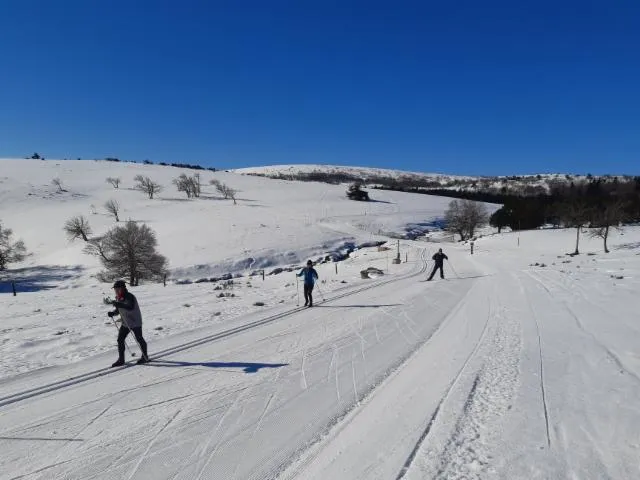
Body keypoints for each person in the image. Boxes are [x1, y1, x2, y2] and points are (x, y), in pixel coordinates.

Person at [108, 280, 149, 366]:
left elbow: (130, 307)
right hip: (126, 322)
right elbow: (119, 309)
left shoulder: (129, 296)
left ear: (122, 288)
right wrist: (113, 313)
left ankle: (145, 357)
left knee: (139, 338)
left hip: (135, 321)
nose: (115, 291)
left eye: (116, 289)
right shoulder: (118, 297)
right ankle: (121, 360)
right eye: (115, 289)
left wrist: (118, 304)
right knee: (120, 339)